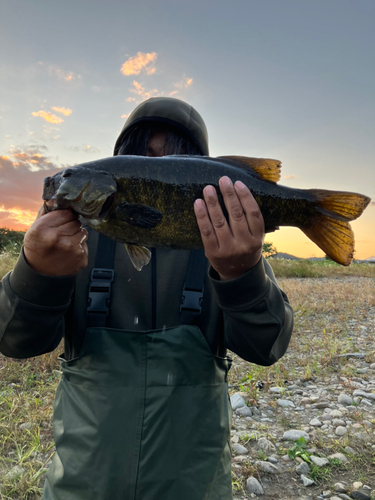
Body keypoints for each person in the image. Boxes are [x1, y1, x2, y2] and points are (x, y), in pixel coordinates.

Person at [0, 97, 293, 500]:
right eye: (143, 157)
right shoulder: (70, 243)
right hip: (82, 487)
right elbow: (17, 342)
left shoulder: (230, 251)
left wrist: (243, 274)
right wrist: (36, 271)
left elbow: (267, 346)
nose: (156, 171)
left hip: (195, 487)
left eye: (176, 162)